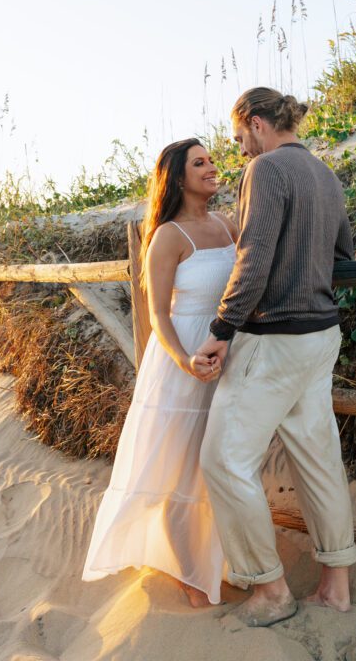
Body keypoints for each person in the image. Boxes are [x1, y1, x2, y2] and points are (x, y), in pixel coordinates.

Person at [197, 87, 356, 628]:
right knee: (318, 459)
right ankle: (336, 586)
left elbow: (255, 255)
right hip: (321, 336)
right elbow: (345, 253)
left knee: (223, 460)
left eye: (241, 135)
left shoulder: (265, 172)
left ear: (259, 123)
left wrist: (223, 327)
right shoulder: (324, 174)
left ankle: (270, 590)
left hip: (275, 339)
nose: (240, 147)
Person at [81, 138, 237, 607]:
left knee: (218, 465)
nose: (212, 167)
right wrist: (186, 361)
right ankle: (188, 569)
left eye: (211, 159)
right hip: (182, 364)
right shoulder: (168, 236)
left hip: (227, 357)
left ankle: (221, 559)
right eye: (200, 163)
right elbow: (158, 318)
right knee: (178, 469)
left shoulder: (228, 226)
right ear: (178, 177)